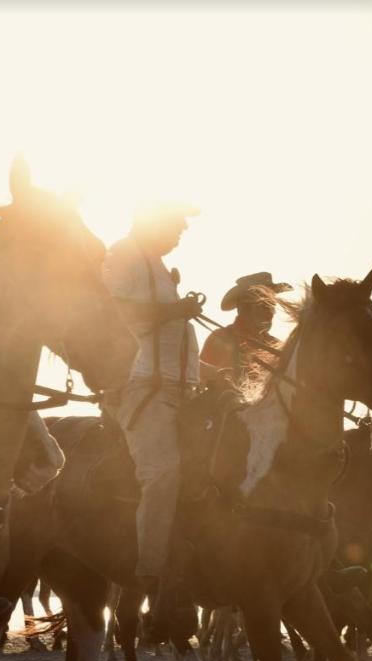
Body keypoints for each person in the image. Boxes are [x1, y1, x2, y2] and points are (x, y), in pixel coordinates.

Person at [100, 203, 202, 638]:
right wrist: (172, 312)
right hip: (143, 388)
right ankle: (151, 577)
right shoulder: (123, 256)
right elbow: (114, 313)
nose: (180, 234)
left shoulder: (157, 264)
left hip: (182, 388)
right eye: (176, 225)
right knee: (163, 473)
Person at [199, 271, 289, 390]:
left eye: (272, 305)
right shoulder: (220, 339)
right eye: (264, 305)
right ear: (244, 308)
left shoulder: (276, 347)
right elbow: (200, 382)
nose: (271, 312)